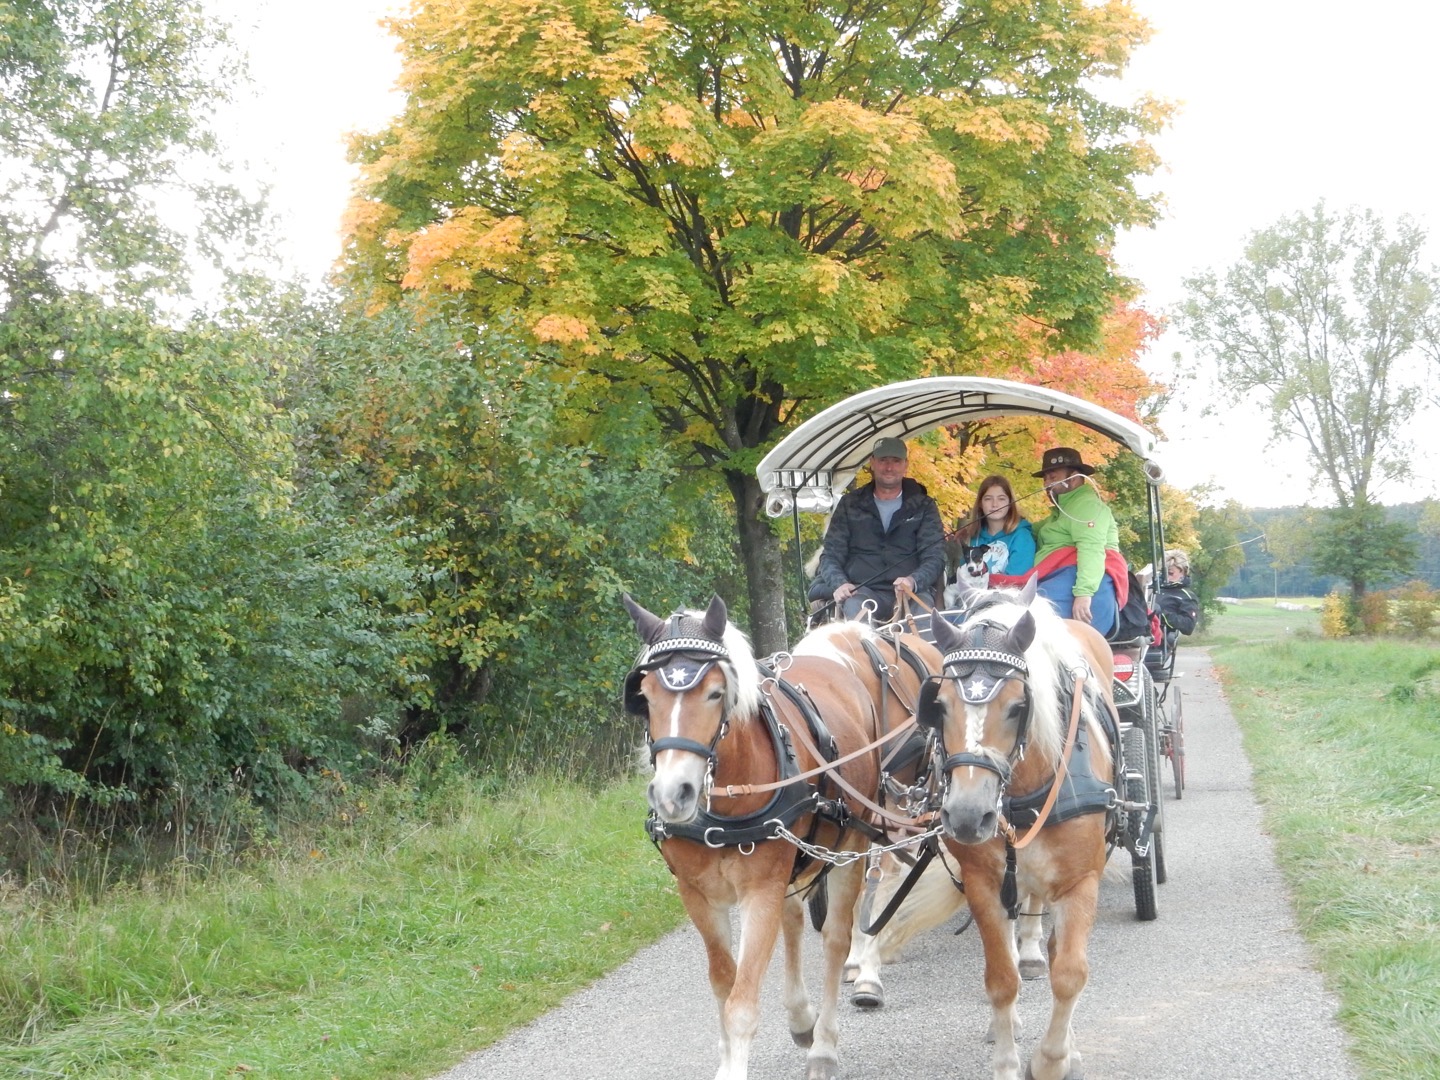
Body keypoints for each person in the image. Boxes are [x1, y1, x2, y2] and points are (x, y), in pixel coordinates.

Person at [815, 437, 945, 621]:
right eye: (883, 460)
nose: (889, 467)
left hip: (910, 594)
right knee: (856, 624)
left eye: (896, 461)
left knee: (924, 628)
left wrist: (913, 580)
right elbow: (830, 555)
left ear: (905, 465)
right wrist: (841, 584)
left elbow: (935, 557)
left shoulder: (924, 506)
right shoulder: (849, 504)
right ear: (873, 463)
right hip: (861, 592)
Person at [1026, 446, 1128, 635]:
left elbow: (1091, 549)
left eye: (1053, 477)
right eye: (1045, 479)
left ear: (1072, 478)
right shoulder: (1062, 511)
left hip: (1079, 583)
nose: (1046, 484)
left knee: (1029, 613)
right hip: (1055, 578)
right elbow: (1030, 531)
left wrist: (1083, 594)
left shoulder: (1086, 506)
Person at [952, 475, 1036, 576]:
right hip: (971, 591)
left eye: (1001, 499)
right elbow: (963, 576)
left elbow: (1016, 579)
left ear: (1010, 503)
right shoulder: (973, 537)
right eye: (988, 499)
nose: (995, 504)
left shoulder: (1022, 536)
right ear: (980, 503)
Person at [1156, 549, 1200, 636]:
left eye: (1170, 573)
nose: (1166, 578)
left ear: (1183, 572)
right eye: (1163, 573)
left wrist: (1162, 614)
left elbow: (1188, 626)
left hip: (1162, 641)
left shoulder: (1186, 596)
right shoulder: (1153, 588)